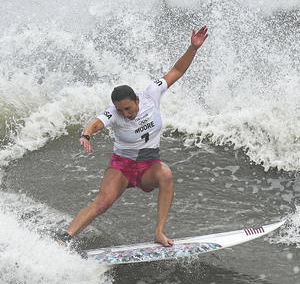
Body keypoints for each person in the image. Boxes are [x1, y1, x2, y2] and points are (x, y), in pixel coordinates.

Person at [58, 26, 209, 247]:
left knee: (166, 174)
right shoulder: (115, 113)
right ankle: (65, 237)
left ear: (137, 100)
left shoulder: (151, 94)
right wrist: (86, 134)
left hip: (149, 165)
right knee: (103, 203)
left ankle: (159, 232)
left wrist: (193, 48)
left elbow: (176, 70)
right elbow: (97, 123)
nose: (125, 115)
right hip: (122, 166)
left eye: (128, 109)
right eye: (121, 111)